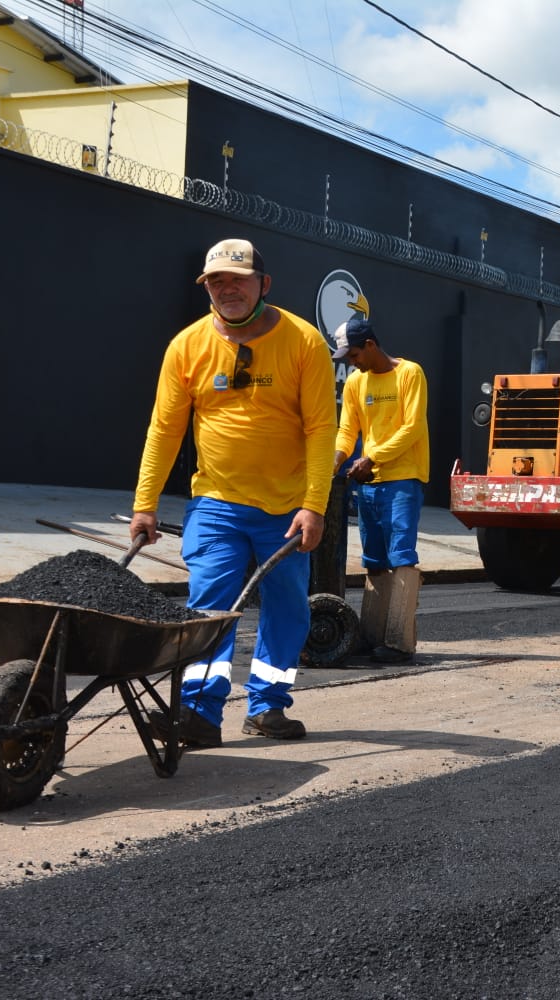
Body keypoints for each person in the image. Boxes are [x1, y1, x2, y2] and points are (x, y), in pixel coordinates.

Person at [133, 238, 336, 747]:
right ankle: (199, 713)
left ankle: (268, 707)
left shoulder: (303, 342)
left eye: (238, 280)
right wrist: (144, 504)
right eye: (216, 281)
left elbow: (320, 429)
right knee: (208, 606)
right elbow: (164, 430)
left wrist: (314, 505)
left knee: (288, 608)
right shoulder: (187, 346)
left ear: (263, 284)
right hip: (216, 502)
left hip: (285, 507)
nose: (227, 289)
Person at [332, 317, 429, 664]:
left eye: (354, 355)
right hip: (370, 482)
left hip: (403, 479)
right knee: (374, 560)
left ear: (370, 345)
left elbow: (412, 428)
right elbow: (347, 429)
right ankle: (372, 636)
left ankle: (399, 641)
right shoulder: (356, 382)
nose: (352, 363)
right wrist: (337, 459)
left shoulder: (409, 373)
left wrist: (372, 457)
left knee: (401, 555)